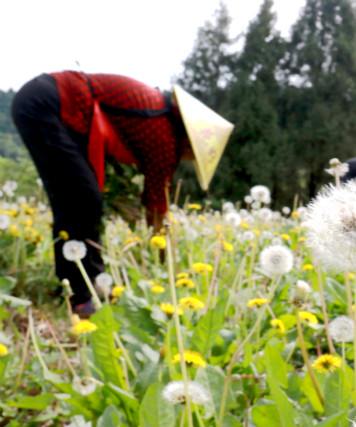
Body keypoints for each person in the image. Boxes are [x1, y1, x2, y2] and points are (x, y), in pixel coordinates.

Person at [11, 71, 233, 316]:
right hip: (47, 103)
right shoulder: (165, 138)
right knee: (83, 199)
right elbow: (156, 207)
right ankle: (81, 294)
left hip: (43, 99)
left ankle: (80, 285)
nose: (189, 161)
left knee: (78, 199)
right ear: (190, 143)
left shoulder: (159, 116)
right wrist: (165, 258)